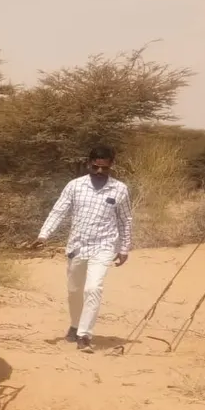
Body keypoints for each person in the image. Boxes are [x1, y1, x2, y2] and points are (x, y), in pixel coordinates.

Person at [32, 145, 134, 354]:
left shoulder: (119, 189)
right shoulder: (75, 186)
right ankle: (75, 324)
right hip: (77, 246)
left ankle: (84, 335)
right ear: (88, 164)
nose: (99, 172)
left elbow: (125, 220)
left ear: (111, 166)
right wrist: (44, 235)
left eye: (104, 168)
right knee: (75, 291)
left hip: (104, 246)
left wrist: (124, 248)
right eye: (95, 167)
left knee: (93, 288)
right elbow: (59, 211)